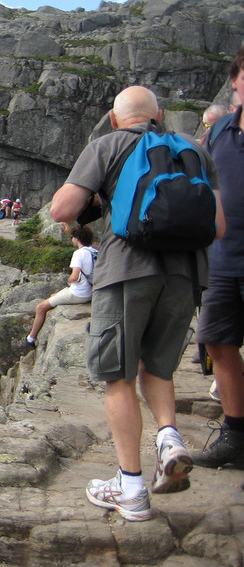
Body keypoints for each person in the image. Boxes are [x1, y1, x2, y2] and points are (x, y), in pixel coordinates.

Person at [49, 85, 224, 522]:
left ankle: (130, 489)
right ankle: (169, 437)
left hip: (126, 271)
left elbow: (61, 209)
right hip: (186, 275)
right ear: (159, 116)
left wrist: (96, 195)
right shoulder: (193, 151)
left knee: (118, 378)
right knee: (158, 369)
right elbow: (217, 225)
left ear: (114, 118)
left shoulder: (107, 144)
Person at [191, 47, 244, 469]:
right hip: (224, 258)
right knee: (216, 340)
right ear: (235, 81)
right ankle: (234, 435)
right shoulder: (222, 129)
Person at [25, 225, 97, 349]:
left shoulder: (78, 254)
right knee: (54, 296)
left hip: (79, 294)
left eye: (72, 237)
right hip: (91, 291)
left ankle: (30, 338)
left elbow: (74, 276)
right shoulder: (95, 251)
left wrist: (70, 281)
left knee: (41, 307)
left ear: (76, 238)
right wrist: (70, 231)